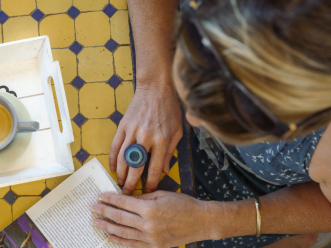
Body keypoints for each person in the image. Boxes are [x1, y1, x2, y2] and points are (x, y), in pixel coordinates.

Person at [90, 0, 331, 247]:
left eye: (212, 116)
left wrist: (211, 221)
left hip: (251, 196)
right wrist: (155, 84)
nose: (190, 120)